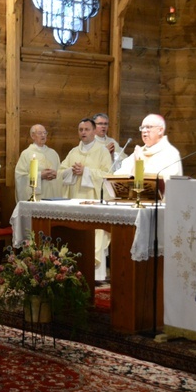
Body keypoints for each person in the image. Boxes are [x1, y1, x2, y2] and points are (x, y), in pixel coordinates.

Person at [58, 118, 113, 280]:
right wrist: (71, 171)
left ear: (94, 131)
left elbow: (107, 176)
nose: (83, 132)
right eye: (80, 129)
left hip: (93, 202)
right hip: (75, 200)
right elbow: (61, 172)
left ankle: (96, 276)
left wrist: (86, 171)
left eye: (86, 129)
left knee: (94, 236)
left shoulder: (102, 152)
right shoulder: (74, 152)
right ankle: (75, 273)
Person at [114, 114, 182, 179]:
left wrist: (138, 166)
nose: (144, 131)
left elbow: (165, 180)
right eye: (142, 128)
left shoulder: (170, 154)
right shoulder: (139, 152)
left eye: (148, 127)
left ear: (160, 130)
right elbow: (118, 176)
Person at [14, 124, 62, 202]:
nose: (43, 135)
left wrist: (57, 174)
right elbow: (20, 177)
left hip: (53, 195)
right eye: (40, 133)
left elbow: (60, 173)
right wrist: (40, 176)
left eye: (45, 133)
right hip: (37, 197)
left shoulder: (53, 153)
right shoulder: (26, 154)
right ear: (33, 136)